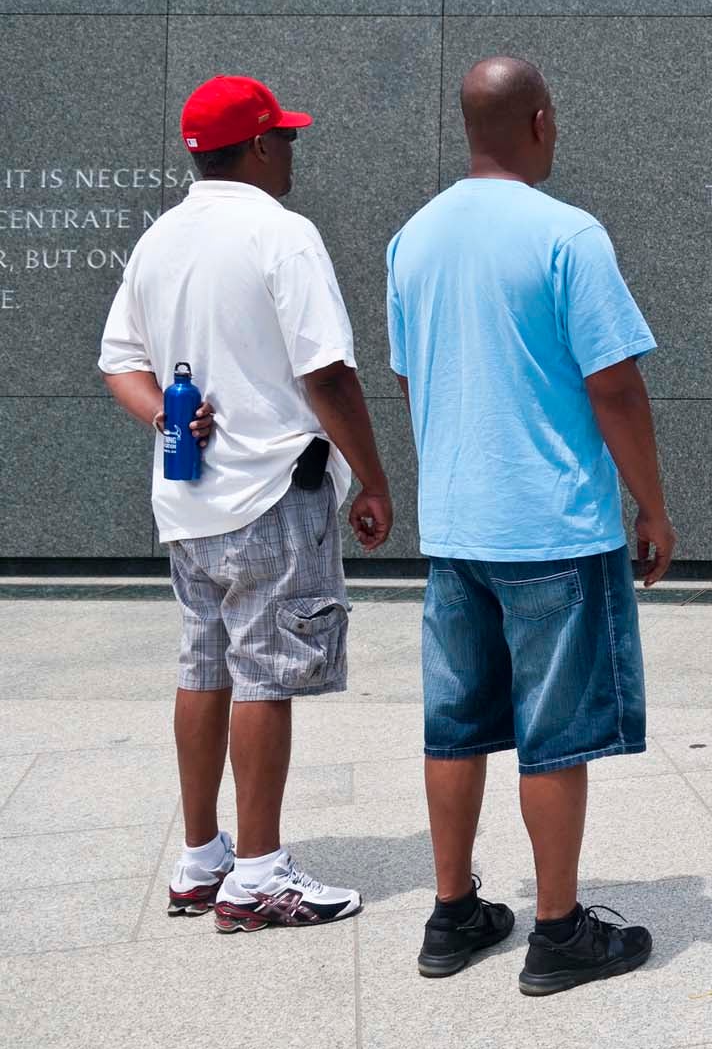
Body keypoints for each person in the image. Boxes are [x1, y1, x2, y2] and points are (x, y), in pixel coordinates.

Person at [387, 56, 676, 996]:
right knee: (556, 736)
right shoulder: (568, 235)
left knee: (456, 726)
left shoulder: (413, 239)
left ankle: (452, 913)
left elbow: (409, 374)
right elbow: (615, 385)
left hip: (456, 528)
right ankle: (557, 932)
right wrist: (653, 505)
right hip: (553, 526)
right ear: (542, 122)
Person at [98, 75, 393, 933]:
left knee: (204, 668)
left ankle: (200, 860)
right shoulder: (282, 233)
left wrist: (167, 415)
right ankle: (259, 875)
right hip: (273, 486)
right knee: (266, 674)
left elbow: (120, 361)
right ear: (259, 145)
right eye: (286, 138)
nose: (293, 152)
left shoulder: (159, 240)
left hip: (190, 494)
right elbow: (327, 372)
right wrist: (371, 478)